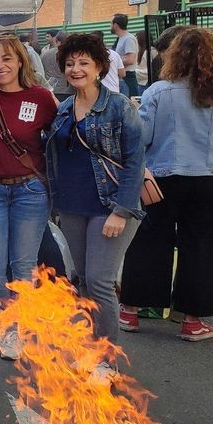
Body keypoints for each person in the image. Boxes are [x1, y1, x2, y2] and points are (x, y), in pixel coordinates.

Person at [119, 28, 213, 343]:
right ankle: (192, 321)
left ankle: (131, 311)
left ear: (175, 55)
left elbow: (142, 137)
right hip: (208, 179)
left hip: (162, 177)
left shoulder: (159, 91)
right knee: (200, 247)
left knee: (149, 241)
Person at [43, 33, 144, 380]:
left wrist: (121, 210)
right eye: (70, 63)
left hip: (109, 206)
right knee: (84, 281)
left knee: (100, 281)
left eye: (84, 62)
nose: (76, 69)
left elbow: (135, 162)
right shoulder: (64, 107)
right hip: (72, 206)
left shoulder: (119, 106)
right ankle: (90, 349)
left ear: (100, 66)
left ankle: (107, 359)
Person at [0, 34, 57, 360]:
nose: (0, 66)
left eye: (7, 58)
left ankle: (18, 331)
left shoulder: (41, 97)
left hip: (30, 191)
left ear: (21, 60)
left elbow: (61, 139)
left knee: (22, 266)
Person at [111, 14, 140, 96]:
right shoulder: (121, 38)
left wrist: (114, 63)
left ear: (115, 25)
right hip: (123, 77)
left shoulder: (128, 39)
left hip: (128, 78)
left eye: (111, 23)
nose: (110, 26)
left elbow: (130, 59)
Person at [41, 30, 72, 100]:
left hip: (51, 89)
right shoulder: (70, 54)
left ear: (56, 40)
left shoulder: (46, 54)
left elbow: (42, 70)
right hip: (68, 90)